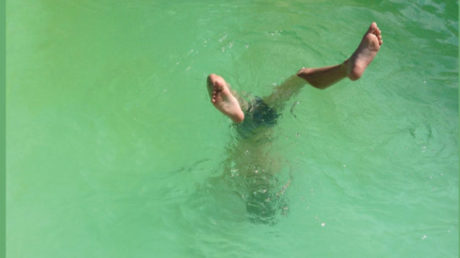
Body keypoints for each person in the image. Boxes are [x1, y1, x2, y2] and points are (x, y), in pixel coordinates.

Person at [207, 22, 383, 224]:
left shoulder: (279, 170)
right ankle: (234, 110)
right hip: (248, 131)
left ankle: (346, 68)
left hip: (266, 123)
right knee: (218, 84)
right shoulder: (243, 178)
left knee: (300, 77)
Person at [206, 22, 383, 125]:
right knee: (298, 79)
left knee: (297, 80)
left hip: (263, 129)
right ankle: (344, 69)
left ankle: (237, 110)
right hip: (268, 124)